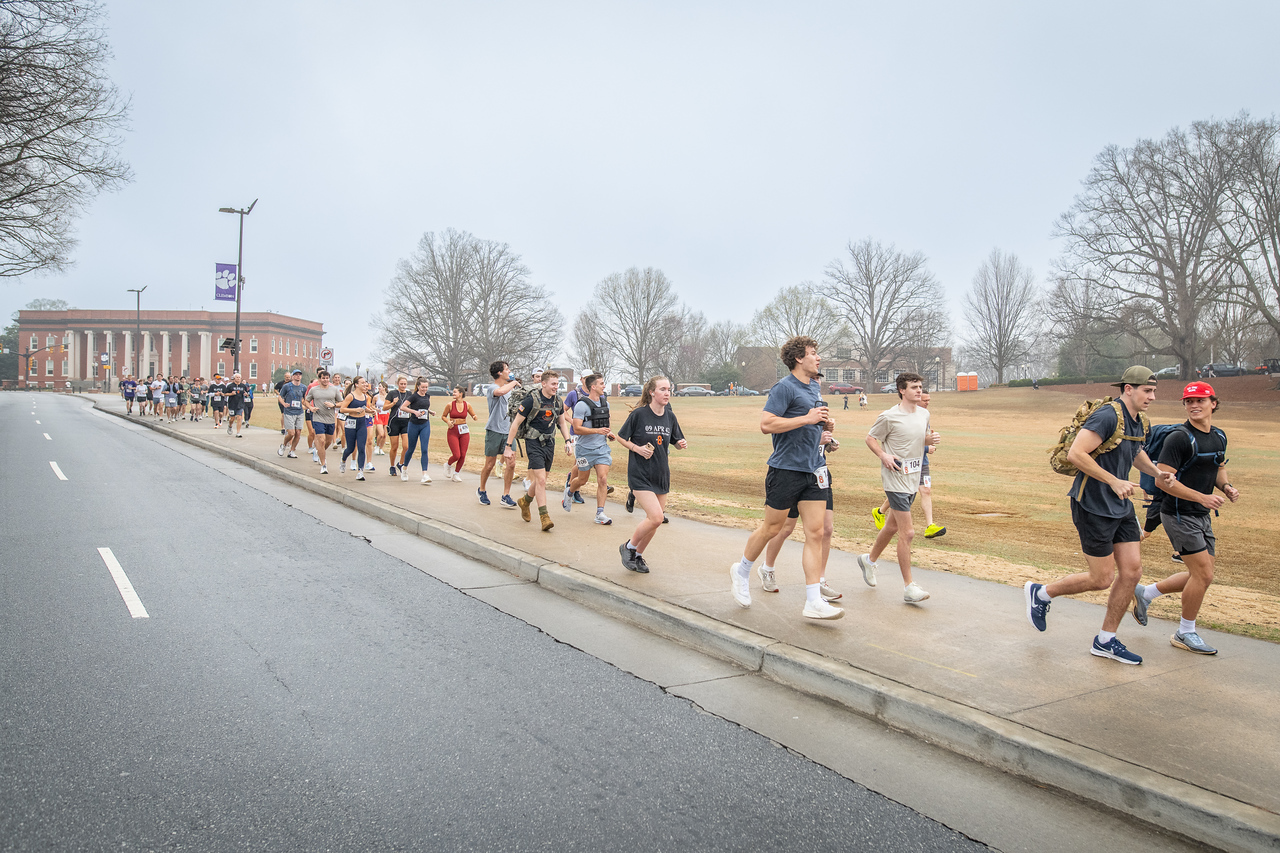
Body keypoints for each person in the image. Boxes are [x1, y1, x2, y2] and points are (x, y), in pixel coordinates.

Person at [1024, 366, 1171, 665]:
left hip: (1120, 505)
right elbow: (1076, 454)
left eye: (1154, 391)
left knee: (1132, 572)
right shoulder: (1107, 416)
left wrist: (1157, 473)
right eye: (1147, 391)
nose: (1152, 397)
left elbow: (1135, 452)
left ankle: (1105, 640)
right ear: (1128, 389)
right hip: (1092, 504)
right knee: (1102, 578)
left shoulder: (1140, 421)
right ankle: (1042, 593)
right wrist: (1114, 480)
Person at [729, 336, 843, 620]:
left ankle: (813, 601)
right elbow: (766, 424)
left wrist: (824, 430)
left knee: (816, 533)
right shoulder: (784, 387)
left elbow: (808, 425)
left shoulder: (814, 386)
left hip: (814, 469)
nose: (818, 358)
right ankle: (742, 570)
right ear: (799, 358)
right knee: (772, 528)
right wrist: (807, 418)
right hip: (786, 470)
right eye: (813, 353)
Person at [1132, 381, 1239, 655]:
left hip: (1201, 514)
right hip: (1178, 514)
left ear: (1213, 403)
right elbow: (1163, 481)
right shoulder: (1179, 438)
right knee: (1203, 574)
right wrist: (1202, 497)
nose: (1194, 406)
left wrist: (1226, 487)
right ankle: (1185, 632)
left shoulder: (1219, 436)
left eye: (1200, 400)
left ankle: (1146, 593)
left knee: (1201, 574)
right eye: (1189, 402)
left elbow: (1218, 467)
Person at [860, 373, 940, 603]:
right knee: (908, 532)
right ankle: (909, 587)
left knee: (892, 526)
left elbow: (919, 439)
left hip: (913, 477)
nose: (919, 390)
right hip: (894, 477)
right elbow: (870, 439)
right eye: (914, 387)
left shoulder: (924, 414)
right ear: (902, 390)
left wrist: (930, 441)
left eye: (920, 386)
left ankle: (869, 560)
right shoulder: (889, 416)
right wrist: (883, 455)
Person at [615, 376, 686, 571]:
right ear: (652, 392)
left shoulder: (670, 416)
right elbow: (621, 437)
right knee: (656, 517)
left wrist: (680, 444)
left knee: (655, 522)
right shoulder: (639, 415)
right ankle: (628, 547)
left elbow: (676, 441)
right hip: (640, 474)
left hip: (661, 474)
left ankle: (638, 556)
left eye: (669, 389)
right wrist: (636, 448)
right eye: (662, 389)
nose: (667, 393)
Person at [503, 370, 572, 532]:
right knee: (540, 480)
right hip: (533, 442)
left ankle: (525, 501)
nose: (556, 387)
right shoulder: (530, 400)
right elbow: (515, 424)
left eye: (557, 384)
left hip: (549, 443)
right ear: (544, 384)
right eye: (553, 384)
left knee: (542, 479)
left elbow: (562, 423)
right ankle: (544, 516)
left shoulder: (557, 401)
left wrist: (568, 441)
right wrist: (508, 446)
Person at [872, 389, 945, 539]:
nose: (927, 403)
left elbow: (922, 438)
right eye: (925, 400)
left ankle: (930, 526)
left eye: (928, 400)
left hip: (921, 462)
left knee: (925, 490)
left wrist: (931, 440)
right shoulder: (895, 416)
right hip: (904, 462)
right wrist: (927, 448)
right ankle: (880, 512)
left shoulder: (924, 415)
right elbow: (908, 442)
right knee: (903, 493)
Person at [563, 373, 615, 525]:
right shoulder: (581, 405)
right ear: (593, 387)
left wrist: (608, 433)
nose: (604, 386)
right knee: (582, 480)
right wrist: (597, 431)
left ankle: (600, 513)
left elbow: (606, 425)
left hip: (602, 449)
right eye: (601, 384)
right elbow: (577, 428)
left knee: (603, 479)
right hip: (584, 449)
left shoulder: (606, 404)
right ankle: (569, 492)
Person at [478, 361, 522, 508]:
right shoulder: (493, 388)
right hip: (494, 430)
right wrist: (513, 382)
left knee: (511, 463)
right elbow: (500, 392)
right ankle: (482, 490)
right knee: (490, 464)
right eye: (506, 369)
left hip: (509, 432)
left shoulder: (510, 389)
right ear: (499, 373)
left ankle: (506, 495)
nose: (509, 371)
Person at [304, 369, 343, 474]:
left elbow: (342, 402)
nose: (325, 380)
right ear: (319, 379)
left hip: (330, 418)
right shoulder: (314, 390)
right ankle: (323, 465)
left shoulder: (334, 390)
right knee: (321, 440)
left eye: (327, 378)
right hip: (318, 417)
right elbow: (306, 401)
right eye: (323, 378)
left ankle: (319, 452)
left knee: (328, 441)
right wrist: (311, 408)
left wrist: (333, 405)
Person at [338, 376, 376, 480]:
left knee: (361, 447)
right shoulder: (351, 396)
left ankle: (360, 471)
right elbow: (342, 409)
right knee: (350, 448)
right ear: (356, 384)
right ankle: (343, 460)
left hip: (361, 423)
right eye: (362, 383)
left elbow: (363, 408)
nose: (365, 384)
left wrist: (370, 411)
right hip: (351, 422)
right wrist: (354, 410)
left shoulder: (365, 396)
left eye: (365, 383)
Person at [399, 377, 436, 483]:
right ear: (418, 386)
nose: (424, 389)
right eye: (423, 387)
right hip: (414, 424)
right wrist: (414, 412)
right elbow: (403, 407)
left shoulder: (427, 396)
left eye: (426, 387)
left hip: (425, 424)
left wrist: (430, 411)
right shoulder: (413, 396)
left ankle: (425, 474)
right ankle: (404, 468)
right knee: (411, 449)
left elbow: (424, 407)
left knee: (424, 449)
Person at [442, 384, 478, 482]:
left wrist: (474, 417)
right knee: (456, 455)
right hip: (453, 431)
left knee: (462, 455)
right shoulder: (450, 405)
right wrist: (448, 422)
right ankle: (448, 464)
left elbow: (473, 414)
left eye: (455, 392)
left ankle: (456, 474)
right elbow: (443, 416)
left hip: (464, 431)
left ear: (461, 394)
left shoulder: (467, 405)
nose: (453, 393)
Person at [384, 375, 411, 480]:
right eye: (401, 384)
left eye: (405, 384)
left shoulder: (409, 394)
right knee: (394, 447)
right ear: (397, 384)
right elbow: (384, 407)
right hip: (394, 422)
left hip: (406, 422)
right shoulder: (392, 393)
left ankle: (400, 463)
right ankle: (392, 466)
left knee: (406, 446)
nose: (403, 386)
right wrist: (393, 403)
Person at [277, 369, 306, 458]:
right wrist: (283, 403)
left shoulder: (303, 387)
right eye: (296, 374)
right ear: (292, 376)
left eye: (299, 374)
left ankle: (292, 451)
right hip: (289, 412)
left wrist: (307, 406)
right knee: (291, 433)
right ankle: (284, 445)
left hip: (299, 412)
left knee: (298, 433)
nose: (298, 376)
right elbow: (280, 397)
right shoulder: (287, 386)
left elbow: (306, 399)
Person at [225, 371, 249, 438]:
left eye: (239, 377)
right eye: (237, 377)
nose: (238, 378)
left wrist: (246, 394)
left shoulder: (243, 386)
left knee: (239, 417)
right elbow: (225, 394)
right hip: (232, 404)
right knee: (232, 418)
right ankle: (230, 426)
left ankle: (238, 432)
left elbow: (246, 393)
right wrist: (231, 394)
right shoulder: (230, 386)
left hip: (240, 404)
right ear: (234, 378)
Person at [372, 381, 389, 456]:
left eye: (380, 386)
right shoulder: (376, 397)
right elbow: (372, 405)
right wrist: (376, 409)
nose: (379, 388)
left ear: (384, 388)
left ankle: (381, 448)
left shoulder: (388, 396)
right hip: (379, 415)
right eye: (378, 386)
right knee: (381, 434)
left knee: (385, 434)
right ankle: (377, 446)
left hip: (386, 415)